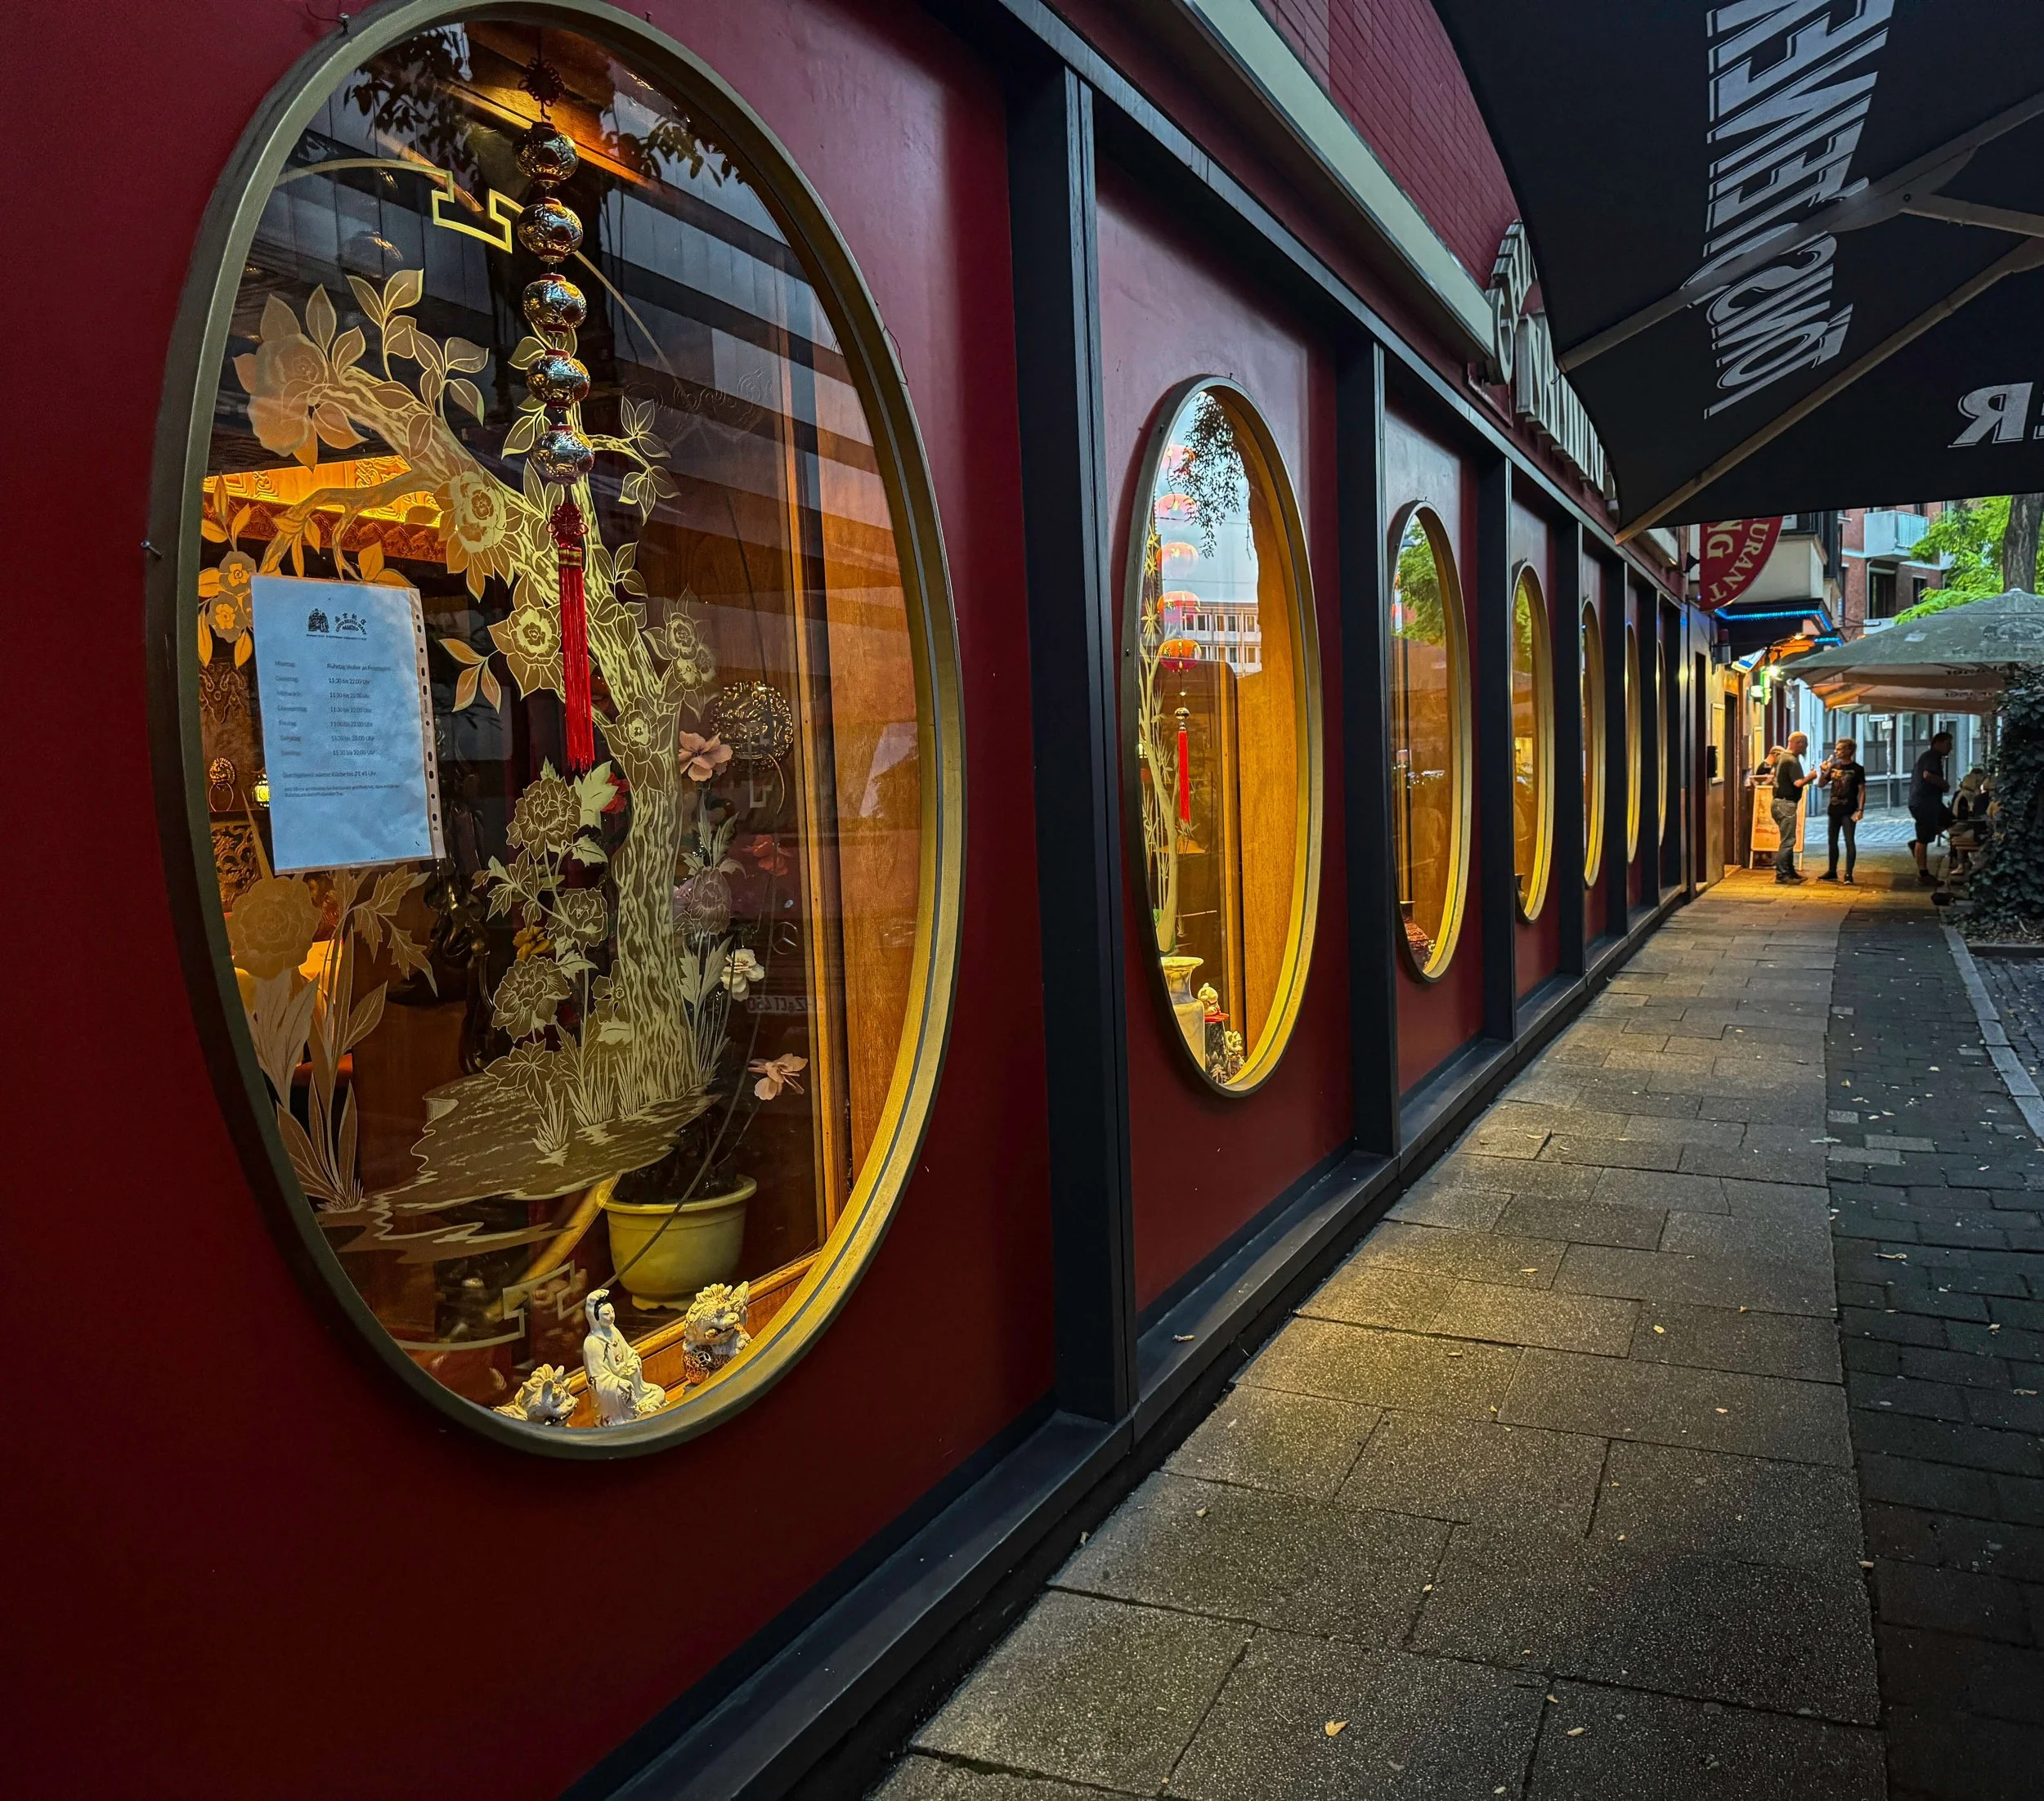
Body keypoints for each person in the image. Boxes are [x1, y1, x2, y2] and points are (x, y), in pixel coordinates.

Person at [1817, 736, 1866, 885]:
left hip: (1849, 809)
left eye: (1839, 749)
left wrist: (1860, 809)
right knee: (1832, 841)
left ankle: (1848, 874)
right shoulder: (1834, 767)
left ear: (1849, 750)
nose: (1836, 751)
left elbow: (1862, 790)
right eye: (1836, 749)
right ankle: (1832, 870)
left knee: (1849, 841)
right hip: (1834, 808)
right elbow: (1821, 784)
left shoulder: (1857, 769)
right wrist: (1823, 771)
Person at [1909, 729, 1956, 886]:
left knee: (1949, 819)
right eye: (1949, 744)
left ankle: (1917, 843)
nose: (1951, 748)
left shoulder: (1932, 757)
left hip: (1931, 801)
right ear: (1939, 743)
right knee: (1924, 838)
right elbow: (1928, 775)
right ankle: (1924, 874)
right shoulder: (1932, 756)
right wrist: (1944, 784)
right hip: (1924, 802)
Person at [1772, 731, 1818, 883]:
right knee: (1788, 841)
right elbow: (1798, 783)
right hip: (1786, 804)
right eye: (1805, 744)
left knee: (1788, 839)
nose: (1806, 748)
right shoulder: (1792, 761)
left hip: (1777, 803)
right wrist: (1811, 777)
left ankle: (1790, 872)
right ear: (1799, 743)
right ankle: (1782, 875)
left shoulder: (1780, 758)